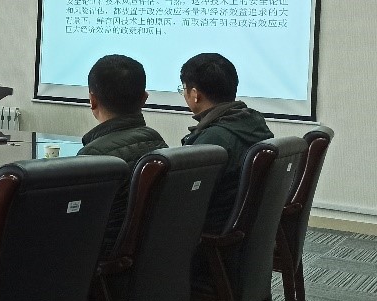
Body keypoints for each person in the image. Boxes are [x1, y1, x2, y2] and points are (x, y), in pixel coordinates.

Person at [77, 55, 168, 255]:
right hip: (147, 255)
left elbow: (80, 225)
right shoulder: (158, 143)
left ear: (92, 100)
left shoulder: (94, 156)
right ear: (144, 98)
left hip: (104, 260)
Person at [179, 52, 274, 233]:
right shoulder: (252, 122)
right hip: (245, 231)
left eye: (184, 88)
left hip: (211, 235)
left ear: (195, 94)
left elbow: (185, 200)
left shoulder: (213, 141)